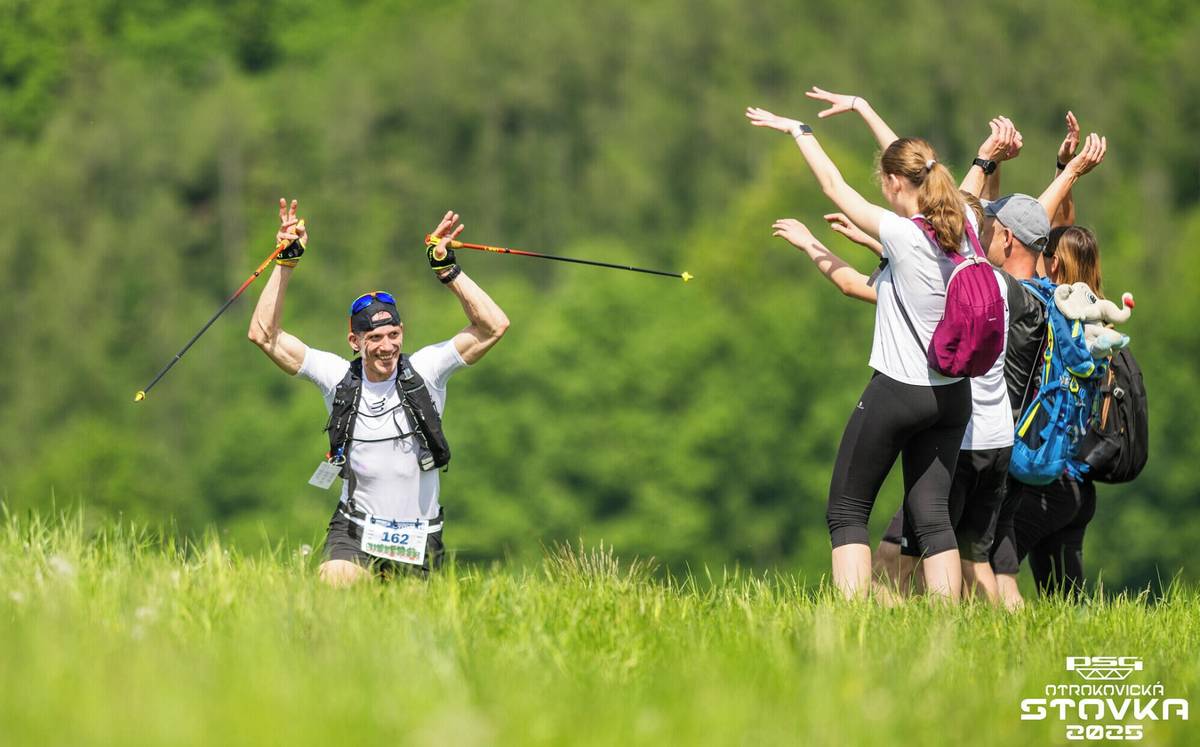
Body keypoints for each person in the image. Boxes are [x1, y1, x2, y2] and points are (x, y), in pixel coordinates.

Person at [747, 96, 977, 600]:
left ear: (896, 184)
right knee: (934, 519)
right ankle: (949, 623)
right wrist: (866, 110)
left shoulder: (902, 234)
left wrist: (799, 130)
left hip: (900, 390)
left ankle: (853, 621)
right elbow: (910, 163)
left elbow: (833, 185)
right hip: (954, 394)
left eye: (887, 182)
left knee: (847, 509)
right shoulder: (966, 227)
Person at [247, 200, 510, 586]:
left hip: (419, 536)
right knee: (332, 589)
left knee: (407, 636)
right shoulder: (338, 377)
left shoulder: (426, 370)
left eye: (393, 335)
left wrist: (447, 269)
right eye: (374, 338)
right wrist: (285, 264)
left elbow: (493, 327)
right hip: (355, 530)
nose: (386, 346)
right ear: (355, 341)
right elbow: (263, 335)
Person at [1011, 226, 1108, 598]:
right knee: (1068, 605)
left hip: (1044, 477)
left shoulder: (1050, 311)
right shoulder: (1096, 317)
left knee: (988, 566)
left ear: (1053, 264)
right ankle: (1086, 656)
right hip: (1079, 483)